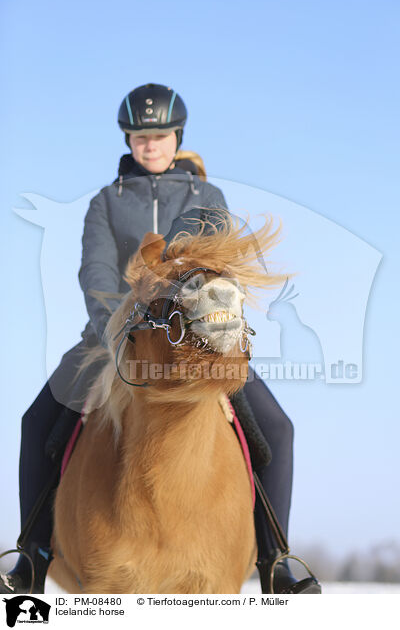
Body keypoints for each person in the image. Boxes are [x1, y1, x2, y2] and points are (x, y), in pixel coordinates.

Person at [0, 83, 321, 594]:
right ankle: (33, 557)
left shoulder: (207, 198)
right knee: (37, 422)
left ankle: (275, 559)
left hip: (195, 342)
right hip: (108, 337)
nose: (151, 145)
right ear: (129, 140)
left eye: (160, 135)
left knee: (277, 429)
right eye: (141, 136)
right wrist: (116, 335)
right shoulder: (106, 202)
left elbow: (210, 270)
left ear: (177, 137)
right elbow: (97, 273)